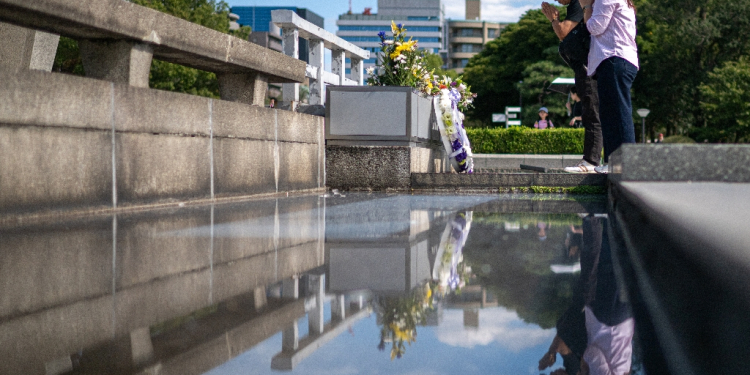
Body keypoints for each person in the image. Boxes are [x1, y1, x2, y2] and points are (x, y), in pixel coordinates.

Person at [541, 0, 603, 174]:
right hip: (583, 68)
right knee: (590, 112)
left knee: (592, 113)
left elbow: (563, 32)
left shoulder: (578, 4)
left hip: (589, 67)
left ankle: (591, 161)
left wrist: (554, 20)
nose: (557, 1)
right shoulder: (574, 7)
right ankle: (592, 159)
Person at [580, 0, 639, 174]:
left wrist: (586, 7)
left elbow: (595, 27)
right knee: (611, 114)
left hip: (614, 58)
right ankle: (613, 162)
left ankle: (624, 164)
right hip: (615, 60)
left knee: (618, 113)